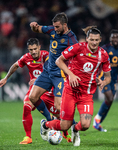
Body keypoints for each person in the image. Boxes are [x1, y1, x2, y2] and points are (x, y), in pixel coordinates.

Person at [40, 26, 112, 146]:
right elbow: (59, 61)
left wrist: (103, 82)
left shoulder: (103, 55)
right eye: (91, 40)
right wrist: (71, 75)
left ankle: (75, 130)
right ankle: (45, 125)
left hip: (86, 94)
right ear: (87, 39)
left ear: (100, 40)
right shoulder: (78, 48)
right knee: (64, 125)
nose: (94, 43)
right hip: (70, 91)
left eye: (96, 40)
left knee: (85, 125)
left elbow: (108, 77)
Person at [29, 12, 78, 140]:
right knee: (32, 97)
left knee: (58, 106)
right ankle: (48, 120)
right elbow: (38, 28)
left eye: (57, 27)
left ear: (65, 25)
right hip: (47, 71)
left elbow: (77, 58)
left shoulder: (71, 40)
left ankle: (73, 127)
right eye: (54, 26)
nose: (55, 29)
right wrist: (33, 26)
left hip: (60, 76)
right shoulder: (52, 30)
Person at [0, 38, 49, 144]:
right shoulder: (26, 57)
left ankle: (48, 126)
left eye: (35, 49)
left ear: (39, 47)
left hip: (49, 89)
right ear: (28, 49)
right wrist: (6, 78)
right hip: (34, 88)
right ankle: (28, 137)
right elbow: (15, 65)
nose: (34, 52)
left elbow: (53, 70)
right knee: (26, 106)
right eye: (31, 50)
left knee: (57, 115)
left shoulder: (46, 55)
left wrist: (40, 79)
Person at [93, 29, 118, 132]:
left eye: (116, 37)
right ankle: (96, 119)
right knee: (109, 98)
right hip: (104, 77)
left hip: (113, 78)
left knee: (110, 101)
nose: (115, 39)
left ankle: (98, 122)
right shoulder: (104, 49)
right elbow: (97, 60)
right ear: (110, 38)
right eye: (113, 37)